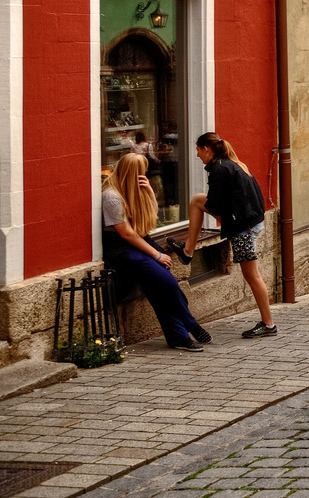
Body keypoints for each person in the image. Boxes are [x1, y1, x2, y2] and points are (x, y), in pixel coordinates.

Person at [167, 133, 274, 338]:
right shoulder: (231, 163)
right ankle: (188, 251)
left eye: (198, 150)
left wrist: (225, 215)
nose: (197, 155)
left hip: (244, 226)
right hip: (250, 221)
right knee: (198, 200)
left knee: (252, 275)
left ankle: (268, 324)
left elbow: (215, 204)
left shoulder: (219, 168)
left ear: (206, 149)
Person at [102, 154, 209, 352]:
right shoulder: (112, 196)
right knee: (167, 283)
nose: (144, 176)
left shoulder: (135, 189)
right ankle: (191, 324)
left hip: (138, 243)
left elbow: (150, 222)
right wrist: (156, 254)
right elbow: (126, 233)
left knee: (162, 290)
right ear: (131, 173)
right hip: (121, 249)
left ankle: (179, 337)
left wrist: (150, 192)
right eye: (141, 172)